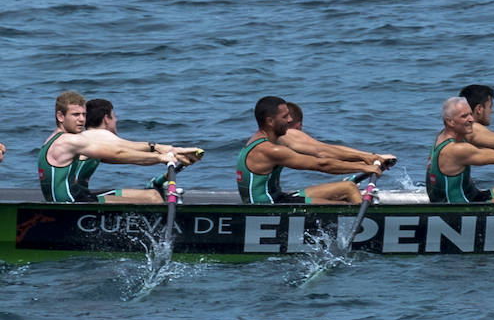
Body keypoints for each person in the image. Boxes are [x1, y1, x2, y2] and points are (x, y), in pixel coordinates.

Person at [38, 91, 203, 203]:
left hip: (79, 197)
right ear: (60, 116)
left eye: (83, 115)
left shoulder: (62, 139)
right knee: (154, 199)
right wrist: (161, 157)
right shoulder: (68, 141)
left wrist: (170, 151)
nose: (82, 120)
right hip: (72, 205)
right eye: (76, 115)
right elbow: (120, 151)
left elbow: (123, 153)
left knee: (153, 195)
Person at [237, 96, 384, 204]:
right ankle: (368, 231)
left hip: (279, 198)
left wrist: (366, 158)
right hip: (268, 208)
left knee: (348, 187)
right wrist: (364, 168)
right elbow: (321, 165)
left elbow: (322, 150)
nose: (290, 120)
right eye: (285, 116)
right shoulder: (269, 150)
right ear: (270, 121)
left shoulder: (271, 139)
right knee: (346, 201)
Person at [73, 98, 179, 203]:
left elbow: (133, 157)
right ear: (106, 119)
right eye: (114, 117)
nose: (116, 120)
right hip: (78, 199)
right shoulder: (99, 135)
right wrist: (159, 155)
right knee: (154, 198)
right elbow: (126, 150)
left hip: (82, 194)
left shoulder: (88, 139)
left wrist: (175, 155)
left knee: (154, 195)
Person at [282, 102, 397, 171]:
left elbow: (326, 149)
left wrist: (370, 159)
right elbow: (322, 153)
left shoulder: (278, 144)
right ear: (298, 125)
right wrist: (366, 162)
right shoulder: (287, 134)